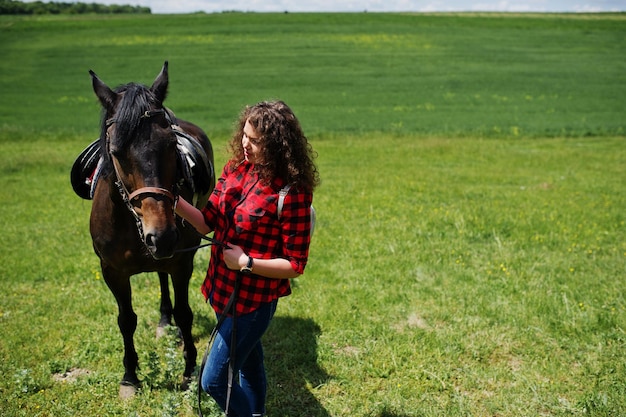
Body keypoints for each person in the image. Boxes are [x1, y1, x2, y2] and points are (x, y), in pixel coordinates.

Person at [175, 100, 319, 417]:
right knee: (250, 365)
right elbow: (207, 221)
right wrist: (173, 202)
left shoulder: (292, 192)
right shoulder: (236, 170)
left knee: (212, 380)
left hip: (252, 304)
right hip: (221, 290)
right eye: (244, 134)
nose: (245, 144)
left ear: (277, 145)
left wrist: (246, 262)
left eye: (254, 141)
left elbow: (295, 266)